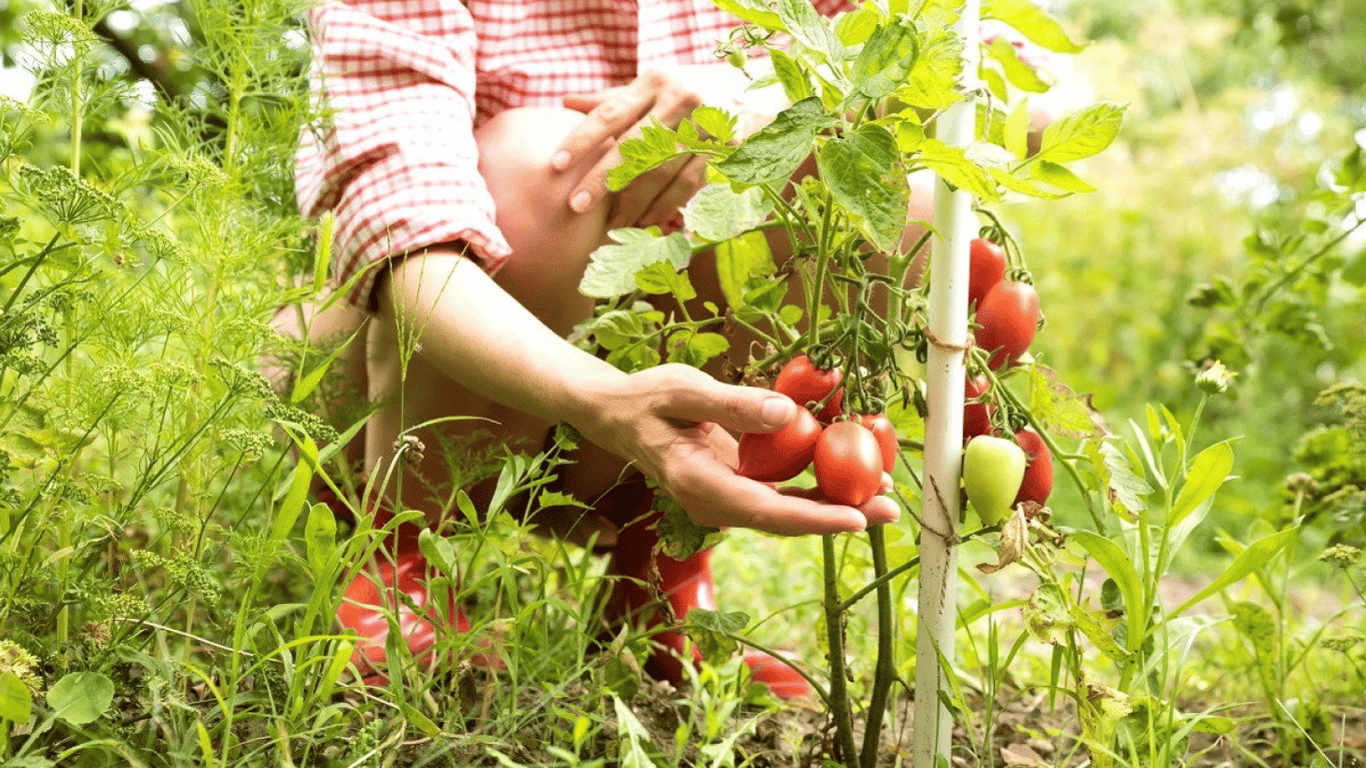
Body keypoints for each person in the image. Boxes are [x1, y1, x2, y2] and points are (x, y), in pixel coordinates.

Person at [281, 0, 905, 698]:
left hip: (640, 415)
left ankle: (658, 572)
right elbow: (406, 234)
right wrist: (598, 396)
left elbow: (979, 82)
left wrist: (761, 105)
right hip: (412, 375)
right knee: (545, 166)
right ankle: (396, 560)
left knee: (863, 178)